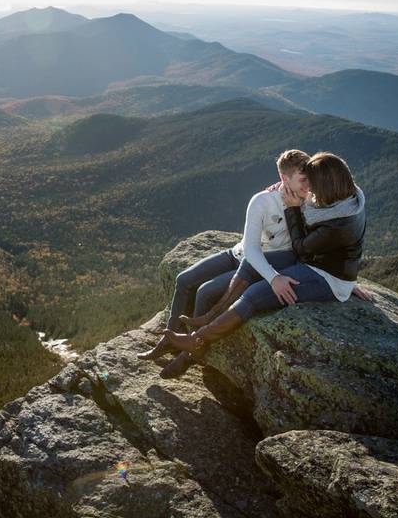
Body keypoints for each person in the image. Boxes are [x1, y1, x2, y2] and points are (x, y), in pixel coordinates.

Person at [158, 151, 368, 379]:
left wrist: (292, 209)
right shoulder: (349, 198)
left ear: (328, 183)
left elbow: (301, 247)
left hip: (325, 277)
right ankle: (211, 316)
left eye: (313, 183)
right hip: (315, 263)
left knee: (254, 295)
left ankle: (197, 340)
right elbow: (345, 250)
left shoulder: (337, 223)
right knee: (251, 262)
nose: (310, 189)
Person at [137, 149, 312, 362]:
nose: (308, 184)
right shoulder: (262, 201)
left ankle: (190, 350)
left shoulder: (310, 203)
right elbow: (250, 248)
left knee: (205, 292)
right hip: (240, 254)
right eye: (303, 179)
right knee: (183, 279)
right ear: (284, 178)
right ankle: (168, 341)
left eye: (310, 178)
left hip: (261, 264)